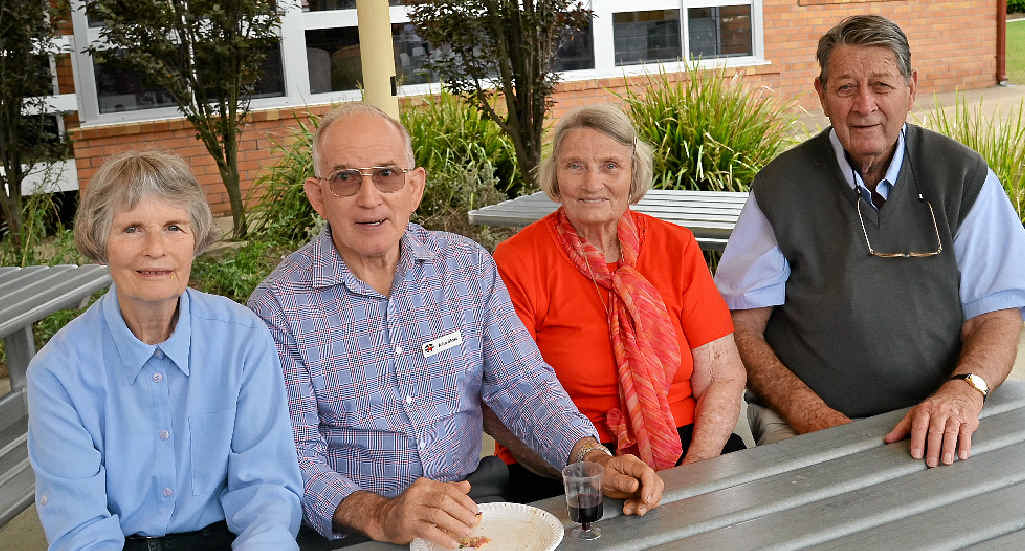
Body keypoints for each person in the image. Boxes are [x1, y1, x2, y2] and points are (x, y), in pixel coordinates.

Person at [246, 103, 664, 550]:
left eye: (387, 174)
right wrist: (382, 515)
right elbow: (293, 456)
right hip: (354, 531)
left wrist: (590, 457)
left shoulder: (463, 268)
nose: (369, 198)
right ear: (318, 195)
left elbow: (523, 384)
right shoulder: (279, 307)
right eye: (346, 178)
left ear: (414, 186)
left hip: (472, 507)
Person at [714, 15, 1025, 468]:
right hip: (807, 418)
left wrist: (963, 391)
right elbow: (740, 330)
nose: (864, 105)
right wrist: (815, 417)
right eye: (845, 88)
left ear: (911, 88)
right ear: (821, 95)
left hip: (937, 409)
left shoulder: (960, 176)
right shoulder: (781, 187)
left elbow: (996, 314)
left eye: (881, 85)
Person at [26, 151, 303, 550]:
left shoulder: (243, 341)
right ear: (101, 242)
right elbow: (81, 528)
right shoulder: (57, 372)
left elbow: (266, 493)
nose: (155, 248)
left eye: (174, 227)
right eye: (132, 228)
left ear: (195, 239)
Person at [488, 104, 747, 502]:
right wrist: (586, 471)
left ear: (633, 176)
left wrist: (693, 476)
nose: (593, 182)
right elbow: (500, 398)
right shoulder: (517, 261)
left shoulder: (675, 247)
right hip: (563, 457)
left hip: (685, 448)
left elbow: (722, 374)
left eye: (610, 165)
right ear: (555, 177)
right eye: (575, 166)